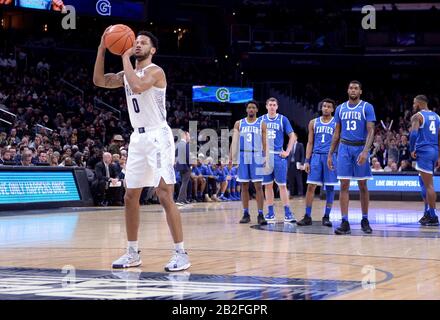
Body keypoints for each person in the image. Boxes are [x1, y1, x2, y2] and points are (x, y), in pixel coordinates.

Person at [93, 28, 190, 271]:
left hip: (158, 135)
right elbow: (99, 81)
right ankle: (132, 252)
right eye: (135, 42)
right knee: (129, 196)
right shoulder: (127, 73)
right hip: (137, 137)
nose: (137, 45)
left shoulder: (155, 71)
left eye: (143, 42)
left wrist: (124, 57)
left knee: (164, 194)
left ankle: (181, 253)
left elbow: (137, 86)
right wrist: (102, 49)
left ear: (152, 50)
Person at [327, 80, 375, 235]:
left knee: (362, 185)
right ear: (347, 91)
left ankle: (365, 219)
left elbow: (371, 131)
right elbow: (336, 133)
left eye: (356, 88)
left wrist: (366, 151)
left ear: (360, 91)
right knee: (344, 186)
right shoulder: (340, 108)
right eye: (350, 88)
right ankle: (345, 221)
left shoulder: (366, 107)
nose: (353, 90)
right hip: (344, 148)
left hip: (360, 147)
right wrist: (330, 154)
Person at [297, 98, 338, 227]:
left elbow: (339, 141)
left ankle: (326, 216)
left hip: (330, 157)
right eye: (324, 106)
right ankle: (307, 216)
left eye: (328, 106)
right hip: (315, 157)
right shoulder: (313, 122)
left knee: (330, 187)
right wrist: (307, 161)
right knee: (310, 186)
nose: (326, 108)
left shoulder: (337, 123)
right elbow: (309, 142)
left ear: (332, 109)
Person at [230, 100, 268, 225]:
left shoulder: (261, 123)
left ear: (257, 110)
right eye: (249, 107)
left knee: (258, 186)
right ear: (246, 110)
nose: (251, 109)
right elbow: (234, 142)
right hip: (242, 154)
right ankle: (246, 213)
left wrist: (266, 158)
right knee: (244, 186)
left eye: (253, 107)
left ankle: (261, 214)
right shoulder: (239, 123)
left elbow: (265, 143)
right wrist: (231, 157)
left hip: (256, 155)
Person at [260, 97, 296, 223]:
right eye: (270, 104)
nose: (272, 106)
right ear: (266, 106)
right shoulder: (261, 120)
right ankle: (270, 213)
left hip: (278, 155)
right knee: (267, 186)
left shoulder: (282, 119)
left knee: (282, 185)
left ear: (277, 106)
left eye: (274, 104)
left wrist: (287, 151)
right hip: (265, 157)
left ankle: (287, 213)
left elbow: (292, 136)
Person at [409, 95, 440, 226]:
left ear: (419, 103)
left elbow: (414, 134)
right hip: (433, 151)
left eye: (414, 103)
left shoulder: (417, 116)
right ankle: (427, 212)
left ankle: (433, 215)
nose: (413, 105)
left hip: (424, 151)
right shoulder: (437, 117)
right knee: (422, 182)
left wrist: (411, 149)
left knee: (428, 185)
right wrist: (438, 156)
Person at [175, 131, 191, 206]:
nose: (189, 137)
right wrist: (190, 165)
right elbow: (188, 157)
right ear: (185, 135)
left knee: (184, 183)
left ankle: (183, 199)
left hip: (180, 166)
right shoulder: (185, 144)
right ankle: (180, 199)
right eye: (188, 136)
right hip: (185, 166)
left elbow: (175, 154)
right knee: (184, 183)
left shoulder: (178, 144)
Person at [287, 133, 305, 197]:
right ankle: (291, 194)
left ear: (296, 138)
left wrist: (302, 164)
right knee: (290, 180)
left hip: (297, 165)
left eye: (293, 137)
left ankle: (300, 193)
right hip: (290, 165)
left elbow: (303, 155)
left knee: (299, 180)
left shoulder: (300, 145)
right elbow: (287, 156)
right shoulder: (289, 145)